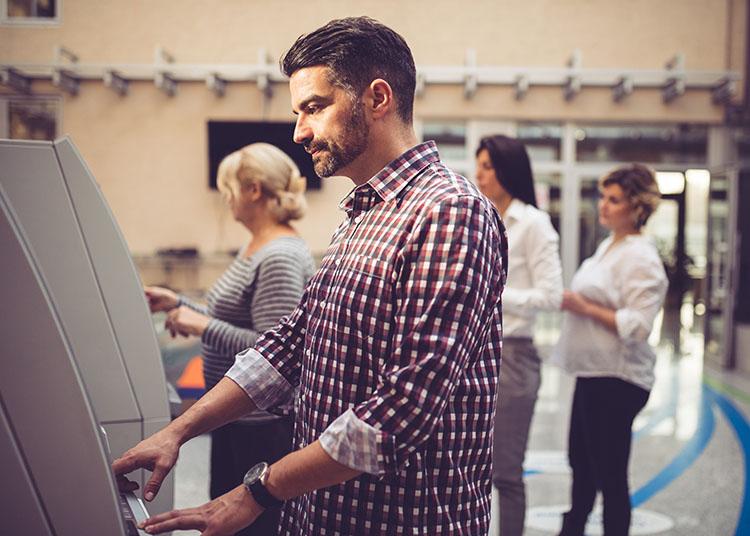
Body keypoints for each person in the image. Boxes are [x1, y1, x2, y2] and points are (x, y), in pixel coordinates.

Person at [113, 16, 507, 536]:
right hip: (323, 513)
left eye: (314, 109)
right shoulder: (362, 212)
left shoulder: (449, 212)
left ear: (378, 98)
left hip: (402, 521)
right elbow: (291, 343)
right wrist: (179, 431)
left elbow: (404, 409)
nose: (300, 131)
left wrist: (255, 491)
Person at [144, 142, 315, 535]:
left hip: (259, 424)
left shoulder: (280, 256)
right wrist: (181, 303)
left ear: (254, 189)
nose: (226, 199)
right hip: (236, 418)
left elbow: (274, 348)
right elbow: (233, 317)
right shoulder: (255, 245)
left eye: (229, 189)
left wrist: (202, 327)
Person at [552, 164, 667, 536]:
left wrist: (585, 308)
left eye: (614, 200)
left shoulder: (641, 256)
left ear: (637, 207)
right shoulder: (608, 246)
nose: (603, 206)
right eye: (603, 196)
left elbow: (639, 325)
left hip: (616, 379)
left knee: (609, 475)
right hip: (593, 373)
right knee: (581, 466)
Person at [475, 135, 563, 536]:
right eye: (479, 164)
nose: (479, 174)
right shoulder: (478, 216)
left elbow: (551, 295)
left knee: (505, 472)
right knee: (468, 468)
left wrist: (491, 291)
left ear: (508, 171)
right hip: (473, 353)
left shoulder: (533, 223)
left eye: (489, 166)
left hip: (513, 354)